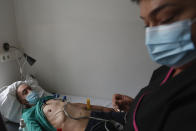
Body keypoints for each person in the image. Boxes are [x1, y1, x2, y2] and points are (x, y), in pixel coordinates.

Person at [16, 0, 196, 130]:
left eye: (165, 18)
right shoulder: (28, 115)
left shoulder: (49, 99)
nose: (30, 92)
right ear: (22, 102)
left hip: (102, 115)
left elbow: (82, 106)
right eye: (146, 25)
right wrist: (135, 107)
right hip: (90, 126)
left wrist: (107, 110)